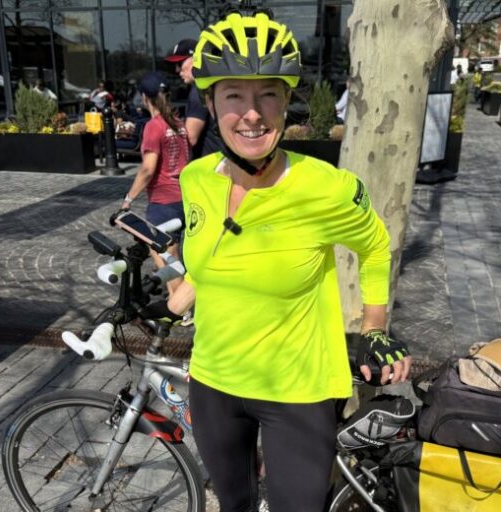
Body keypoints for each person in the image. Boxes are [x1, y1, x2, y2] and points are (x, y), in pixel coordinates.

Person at [166, 11, 412, 511]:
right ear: (210, 103)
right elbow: (210, 256)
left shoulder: (327, 188)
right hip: (213, 382)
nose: (252, 114)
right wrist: (177, 298)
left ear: (286, 102)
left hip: (296, 390)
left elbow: (374, 246)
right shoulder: (195, 180)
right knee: (232, 504)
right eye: (234, 96)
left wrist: (374, 326)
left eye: (268, 95)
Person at [121, 71, 189, 294]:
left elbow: (147, 169)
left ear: (144, 97)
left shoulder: (154, 126)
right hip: (183, 199)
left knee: (168, 262)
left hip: (163, 203)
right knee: (173, 259)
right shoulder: (178, 123)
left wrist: (128, 200)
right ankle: (178, 302)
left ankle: (182, 308)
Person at [165, 38, 223, 159]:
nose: (177, 70)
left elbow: (190, 138)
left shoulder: (198, 92)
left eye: (180, 63)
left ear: (195, 59)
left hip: (209, 163)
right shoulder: (210, 86)